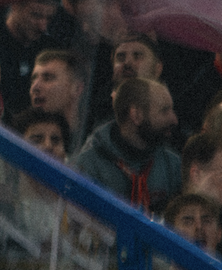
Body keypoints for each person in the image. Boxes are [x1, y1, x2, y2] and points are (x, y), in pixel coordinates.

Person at [77, 76, 183, 210]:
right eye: (164, 111)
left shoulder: (172, 165)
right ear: (136, 115)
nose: (174, 119)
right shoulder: (89, 165)